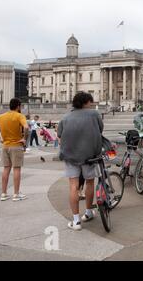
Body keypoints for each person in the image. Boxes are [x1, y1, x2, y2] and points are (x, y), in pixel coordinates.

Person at [57, 92, 104, 231]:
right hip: (89, 156)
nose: (92, 105)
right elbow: (100, 129)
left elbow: (59, 135)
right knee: (89, 183)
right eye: (90, 102)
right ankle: (88, 212)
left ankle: (76, 221)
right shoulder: (94, 114)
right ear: (85, 102)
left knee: (73, 186)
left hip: (70, 156)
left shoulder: (65, 117)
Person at [0, 98, 29, 202]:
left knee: (6, 169)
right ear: (18, 106)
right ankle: (16, 194)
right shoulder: (19, 116)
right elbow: (26, 127)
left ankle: (4, 193)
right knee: (16, 169)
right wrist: (24, 138)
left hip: (5, 146)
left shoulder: (2, 116)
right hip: (16, 145)